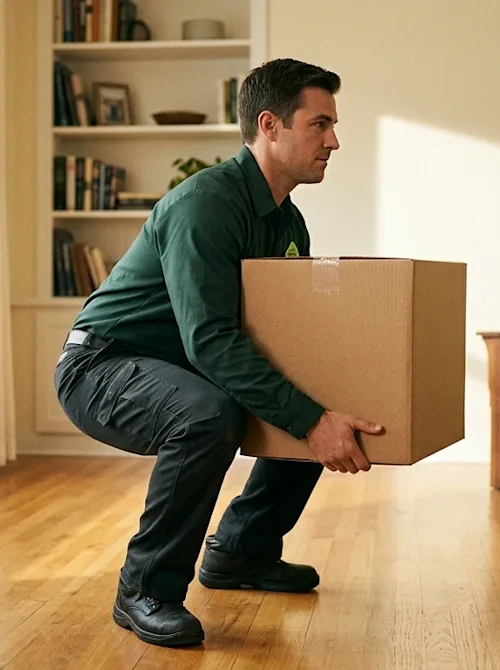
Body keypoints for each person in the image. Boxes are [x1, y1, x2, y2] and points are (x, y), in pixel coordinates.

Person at [53, 57, 381, 648]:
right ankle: (144, 589)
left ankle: (242, 552)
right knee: (207, 413)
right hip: (101, 366)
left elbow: (284, 336)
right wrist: (311, 421)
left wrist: (323, 403)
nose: (335, 140)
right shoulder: (206, 205)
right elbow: (209, 340)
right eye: (320, 124)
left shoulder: (288, 222)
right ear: (270, 125)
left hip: (179, 367)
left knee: (310, 389)